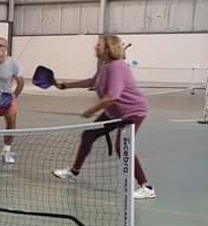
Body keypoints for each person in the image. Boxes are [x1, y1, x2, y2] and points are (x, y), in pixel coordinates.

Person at [53, 34, 156, 199]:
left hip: (132, 112)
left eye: (99, 45)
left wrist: (91, 110)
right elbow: (92, 81)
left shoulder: (117, 67)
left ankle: (146, 187)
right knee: (88, 135)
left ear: (108, 48)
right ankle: (74, 172)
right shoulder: (105, 65)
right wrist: (66, 86)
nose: (96, 47)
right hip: (114, 112)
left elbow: (112, 97)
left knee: (122, 147)